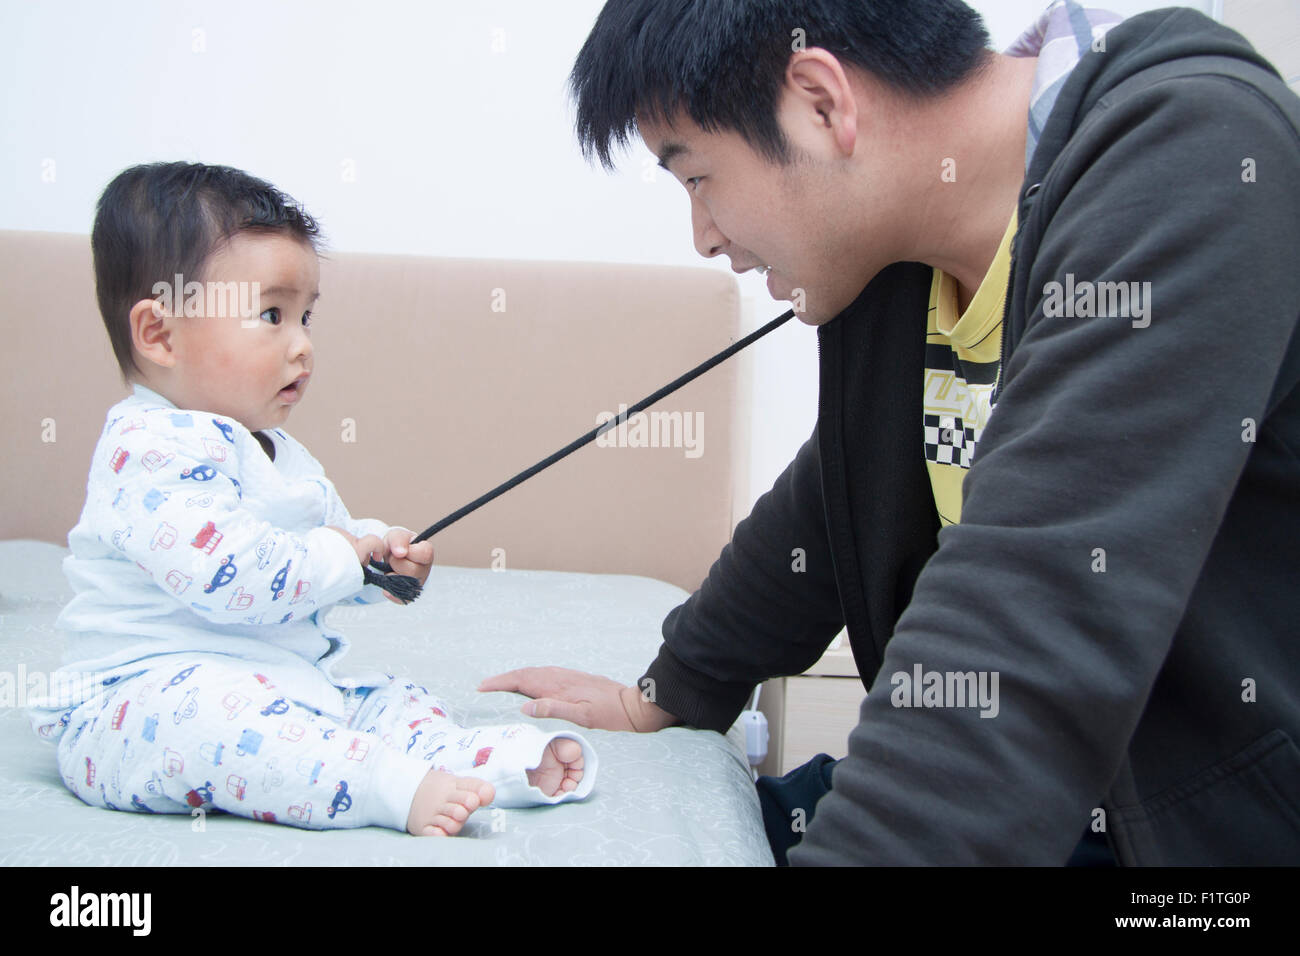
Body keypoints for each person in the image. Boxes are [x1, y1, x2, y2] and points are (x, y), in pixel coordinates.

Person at [481, 0, 1300, 864]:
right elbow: (838, 497)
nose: (703, 236)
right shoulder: (908, 245)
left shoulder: (1189, 153)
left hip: (1194, 834)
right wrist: (670, 691)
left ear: (823, 103)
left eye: (695, 177)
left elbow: (1030, 607)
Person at [29, 162, 595, 836]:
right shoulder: (146, 448)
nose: (303, 346)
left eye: (306, 316)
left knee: (387, 700)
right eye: (271, 315)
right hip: (141, 702)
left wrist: (375, 559)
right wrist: (340, 558)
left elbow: (321, 543)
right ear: (160, 335)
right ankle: (380, 784)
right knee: (210, 721)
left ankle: (489, 763)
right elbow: (229, 574)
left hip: (277, 685)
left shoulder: (274, 450)